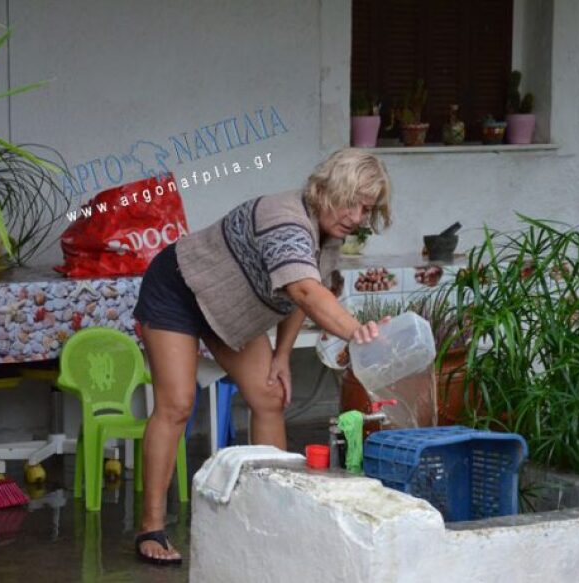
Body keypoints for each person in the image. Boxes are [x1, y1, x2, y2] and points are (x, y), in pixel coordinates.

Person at [132, 148, 392, 565]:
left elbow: (303, 293)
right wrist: (355, 331)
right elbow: (305, 290)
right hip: (178, 290)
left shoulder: (329, 237)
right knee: (177, 404)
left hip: (228, 309)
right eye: (354, 203)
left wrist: (282, 356)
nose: (359, 217)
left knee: (270, 395)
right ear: (327, 190)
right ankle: (152, 526)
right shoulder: (284, 217)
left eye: (367, 209)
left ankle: (278, 510)